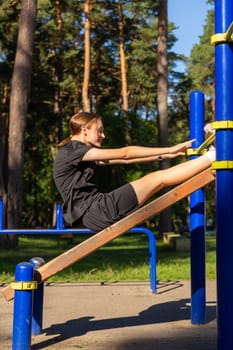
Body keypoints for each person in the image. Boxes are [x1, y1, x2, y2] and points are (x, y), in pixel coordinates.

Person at [53, 111, 215, 232]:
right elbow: (125, 153)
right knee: (156, 179)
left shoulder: (79, 153)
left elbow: (126, 159)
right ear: (84, 130)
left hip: (93, 213)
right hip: (96, 211)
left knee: (157, 180)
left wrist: (166, 154)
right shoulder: (73, 149)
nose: (103, 135)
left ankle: (210, 157)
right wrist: (169, 148)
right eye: (99, 130)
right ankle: (212, 156)